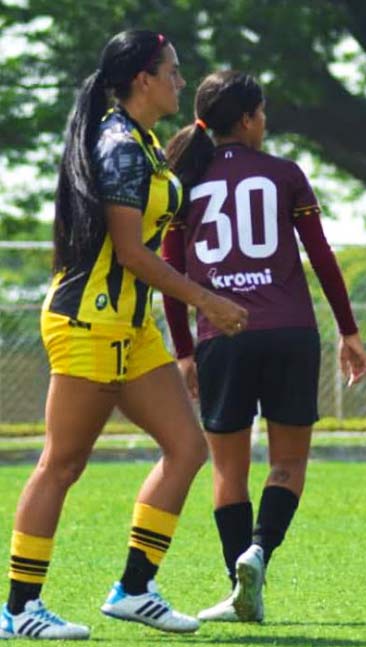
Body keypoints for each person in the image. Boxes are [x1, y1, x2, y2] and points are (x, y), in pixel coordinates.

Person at [0, 30, 248, 640]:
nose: (181, 81)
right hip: (88, 322)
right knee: (63, 463)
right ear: (144, 78)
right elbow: (133, 254)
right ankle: (18, 609)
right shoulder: (120, 145)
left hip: (130, 327)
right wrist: (208, 302)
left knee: (188, 450)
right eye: (173, 70)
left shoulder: (144, 141)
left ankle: (134, 590)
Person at [161, 70, 366, 623]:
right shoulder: (285, 174)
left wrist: (185, 351)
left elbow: (168, 273)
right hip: (290, 334)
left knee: (228, 471)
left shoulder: (184, 182)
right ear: (250, 118)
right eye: (263, 113)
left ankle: (239, 587)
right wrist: (348, 330)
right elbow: (321, 256)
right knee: (288, 463)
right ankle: (260, 553)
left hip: (220, 338)